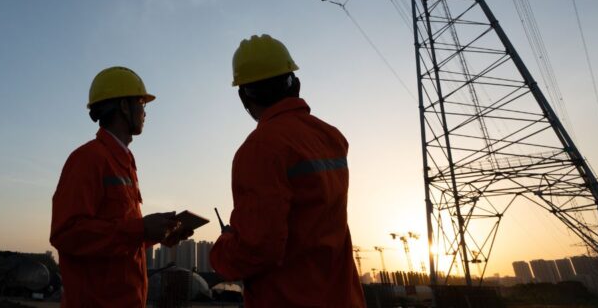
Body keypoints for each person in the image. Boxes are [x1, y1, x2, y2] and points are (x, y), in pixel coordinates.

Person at [210, 35, 365, 307]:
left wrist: (222, 249)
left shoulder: (260, 147)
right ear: (295, 83)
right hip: (342, 298)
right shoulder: (331, 137)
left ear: (244, 96)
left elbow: (258, 248)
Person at [50, 66, 186, 307]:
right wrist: (141, 230)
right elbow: (67, 233)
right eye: (142, 103)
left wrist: (157, 235)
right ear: (125, 106)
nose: (145, 112)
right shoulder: (87, 159)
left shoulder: (124, 162)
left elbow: (118, 237)